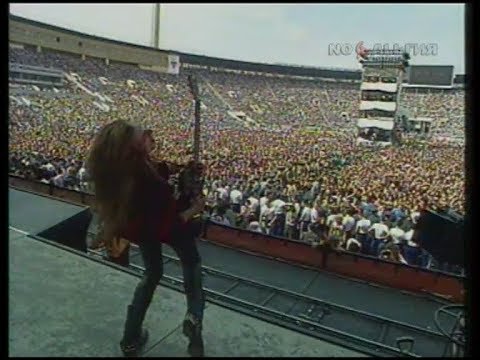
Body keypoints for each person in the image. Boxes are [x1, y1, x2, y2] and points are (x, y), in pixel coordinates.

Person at [86, 120, 206, 357]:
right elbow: (167, 223)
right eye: (145, 136)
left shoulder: (115, 171)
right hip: (161, 227)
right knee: (192, 264)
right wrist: (194, 209)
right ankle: (194, 317)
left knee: (152, 273)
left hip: (137, 230)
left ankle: (130, 339)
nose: (151, 138)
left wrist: (177, 169)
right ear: (136, 146)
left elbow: (150, 173)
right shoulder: (154, 186)